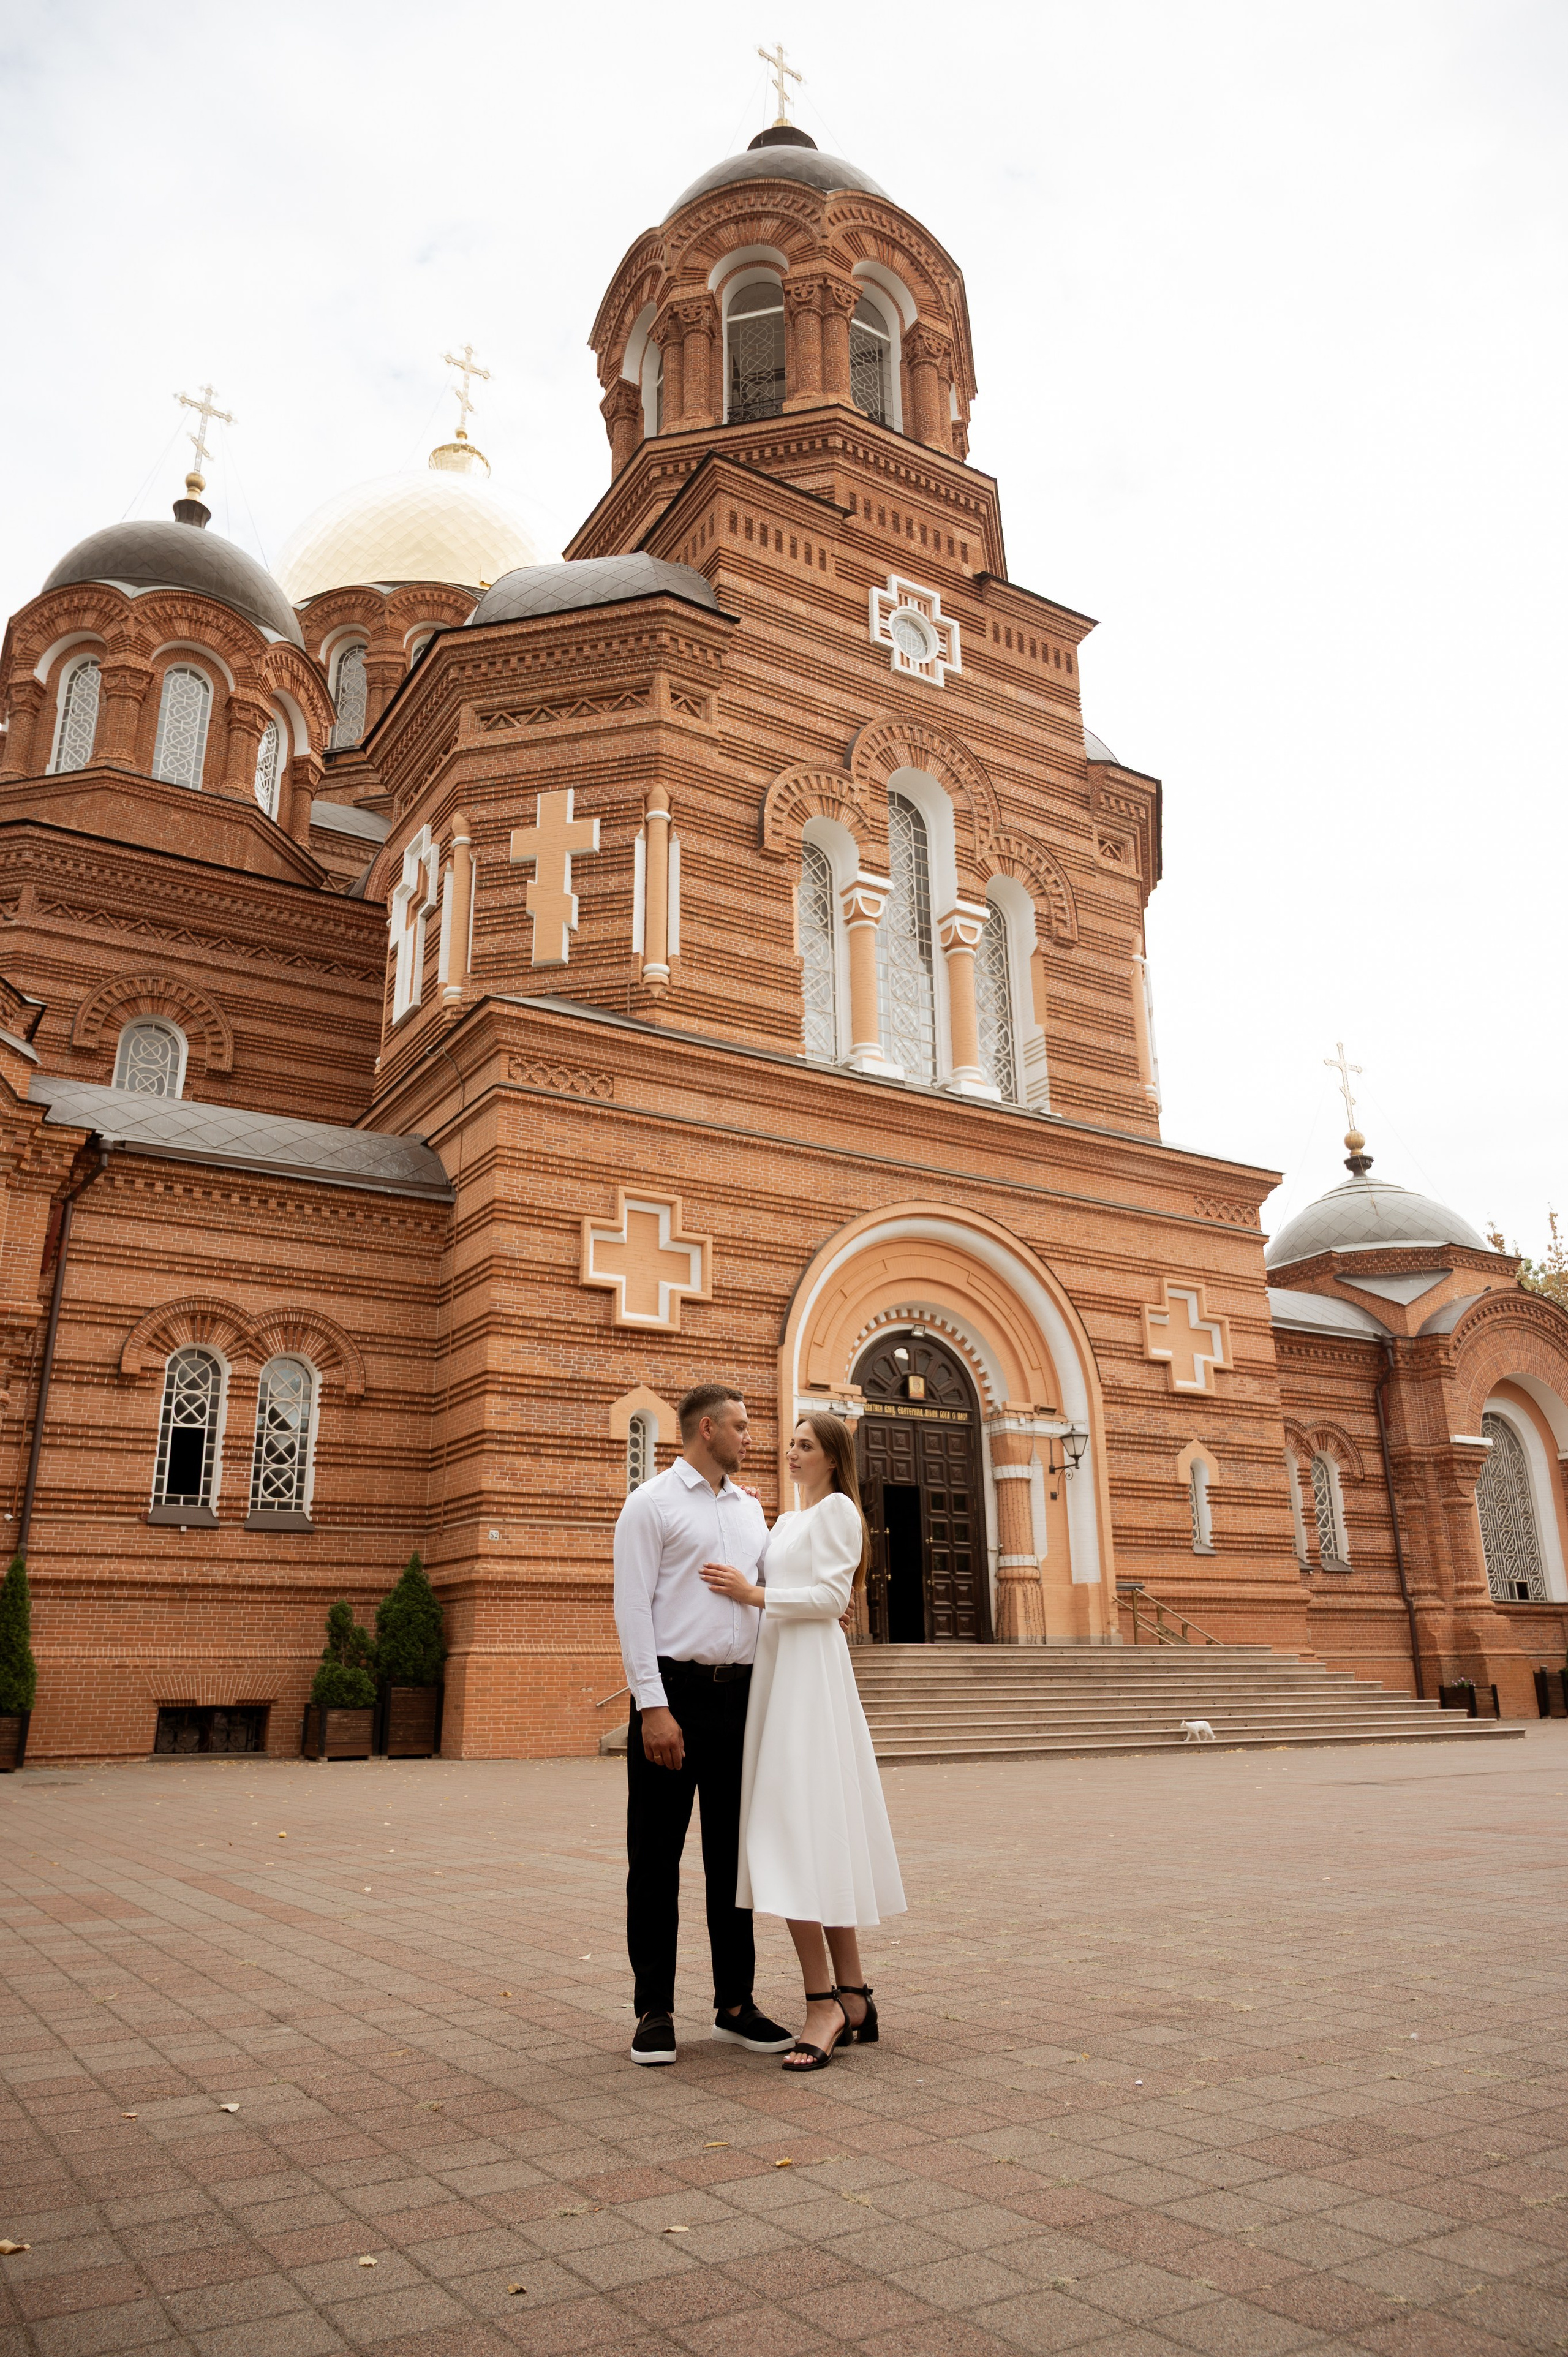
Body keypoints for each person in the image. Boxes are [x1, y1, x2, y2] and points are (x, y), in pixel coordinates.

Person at [701, 1411, 906, 2072]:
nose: (791, 1451)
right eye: (789, 1441)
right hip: (778, 1675)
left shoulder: (840, 1510)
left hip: (811, 1679)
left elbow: (828, 1596)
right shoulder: (785, 1520)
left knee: (798, 1832)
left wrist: (754, 1593)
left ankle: (823, 2001)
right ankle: (854, 1995)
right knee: (804, 1832)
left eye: (805, 1444)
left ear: (832, 1456)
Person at [612, 1382, 795, 2066]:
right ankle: (653, 2009)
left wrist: (809, 1609)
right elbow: (633, 1609)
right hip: (674, 1695)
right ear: (707, 1428)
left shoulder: (752, 1509)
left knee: (734, 1859)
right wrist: (652, 1704)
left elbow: (768, 1590)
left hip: (739, 1698)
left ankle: (735, 2003)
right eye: (743, 1426)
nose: (753, 1438)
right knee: (656, 1858)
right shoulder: (650, 1503)